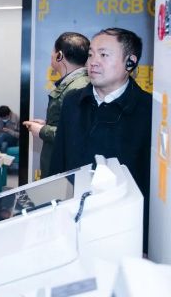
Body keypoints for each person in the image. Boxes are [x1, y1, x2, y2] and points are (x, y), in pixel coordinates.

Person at [51, 28, 151, 251]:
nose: (93, 62)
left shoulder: (148, 111)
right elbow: (59, 162)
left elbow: (147, 182)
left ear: (130, 62)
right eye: (91, 54)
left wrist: (144, 242)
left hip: (122, 231)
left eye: (104, 55)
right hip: (72, 223)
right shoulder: (73, 102)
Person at [23, 32, 90, 178]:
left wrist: (42, 130)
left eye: (53, 52)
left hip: (64, 168)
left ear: (59, 55)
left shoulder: (77, 87)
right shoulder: (75, 83)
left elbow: (75, 133)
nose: (51, 56)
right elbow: (71, 123)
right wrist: (48, 123)